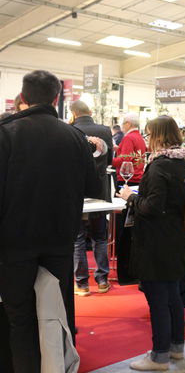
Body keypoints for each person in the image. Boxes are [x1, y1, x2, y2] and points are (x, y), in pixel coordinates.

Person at [0, 70, 98, 373]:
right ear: (57, 99)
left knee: (21, 321)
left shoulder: (6, 134)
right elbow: (91, 186)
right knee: (55, 316)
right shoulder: (75, 137)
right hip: (59, 242)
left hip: (13, 246)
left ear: (22, 97)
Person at [117, 116, 185, 371]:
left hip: (156, 241)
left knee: (158, 298)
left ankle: (159, 356)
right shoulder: (179, 162)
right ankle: (176, 347)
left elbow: (152, 207)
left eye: (148, 135)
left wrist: (130, 197)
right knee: (172, 296)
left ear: (158, 136)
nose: (146, 140)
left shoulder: (159, 166)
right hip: (174, 236)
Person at [71, 101, 114, 297]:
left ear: (73, 113)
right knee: (100, 236)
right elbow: (110, 160)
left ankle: (81, 283)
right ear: (89, 111)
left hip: (78, 190)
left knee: (78, 239)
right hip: (100, 191)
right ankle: (103, 280)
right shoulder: (104, 130)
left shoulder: (71, 130)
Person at [112, 113, 146, 185]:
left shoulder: (129, 138)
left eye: (123, 123)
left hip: (128, 178)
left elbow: (125, 160)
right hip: (137, 177)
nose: (122, 126)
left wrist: (108, 161)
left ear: (128, 124)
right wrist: (119, 149)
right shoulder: (139, 136)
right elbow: (134, 153)